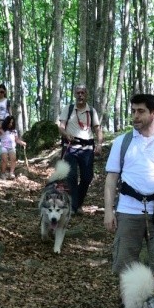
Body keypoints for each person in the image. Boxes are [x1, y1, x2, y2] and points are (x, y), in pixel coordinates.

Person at [103, 93, 154, 297]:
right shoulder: (122, 142)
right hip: (128, 208)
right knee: (124, 260)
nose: (135, 116)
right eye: (133, 111)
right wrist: (108, 211)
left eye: (140, 111)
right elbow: (111, 179)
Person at [58, 84, 103, 214]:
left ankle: (77, 203)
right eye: (78, 93)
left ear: (86, 94)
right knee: (71, 176)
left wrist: (99, 144)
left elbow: (97, 129)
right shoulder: (68, 108)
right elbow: (61, 126)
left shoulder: (92, 111)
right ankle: (74, 207)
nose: (80, 95)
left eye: (83, 93)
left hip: (87, 148)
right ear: (74, 94)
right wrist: (66, 134)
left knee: (87, 178)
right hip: (70, 147)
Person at [0, 115, 26, 180]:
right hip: (3, 146)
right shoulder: (2, 129)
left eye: (12, 123)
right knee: (4, 160)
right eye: (9, 122)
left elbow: (16, 140)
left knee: (13, 159)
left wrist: (22, 143)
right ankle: (3, 173)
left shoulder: (14, 131)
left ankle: (11, 173)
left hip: (12, 147)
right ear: (6, 122)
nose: (11, 124)